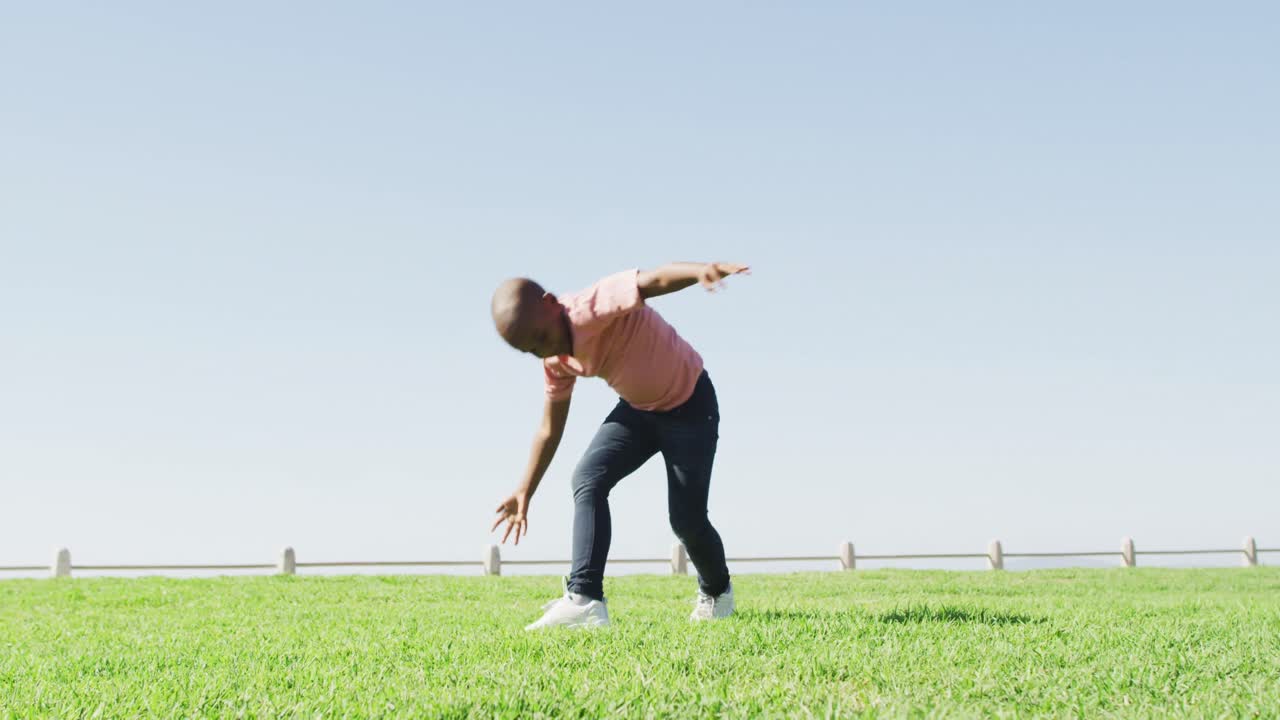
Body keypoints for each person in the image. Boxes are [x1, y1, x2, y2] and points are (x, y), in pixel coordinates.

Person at [489, 262, 749, 629]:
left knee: (686, 520)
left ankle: (717, 591)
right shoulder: (555, 361)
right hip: (640, 411)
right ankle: (585, 598)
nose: (545, 350)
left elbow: (653, 280)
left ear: (551, 302)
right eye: (531, 350)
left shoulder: (593, 305)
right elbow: (550, 428)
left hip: (691, 406)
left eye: (542, 337)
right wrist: (524, 490)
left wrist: (699, 271)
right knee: (588, 479)